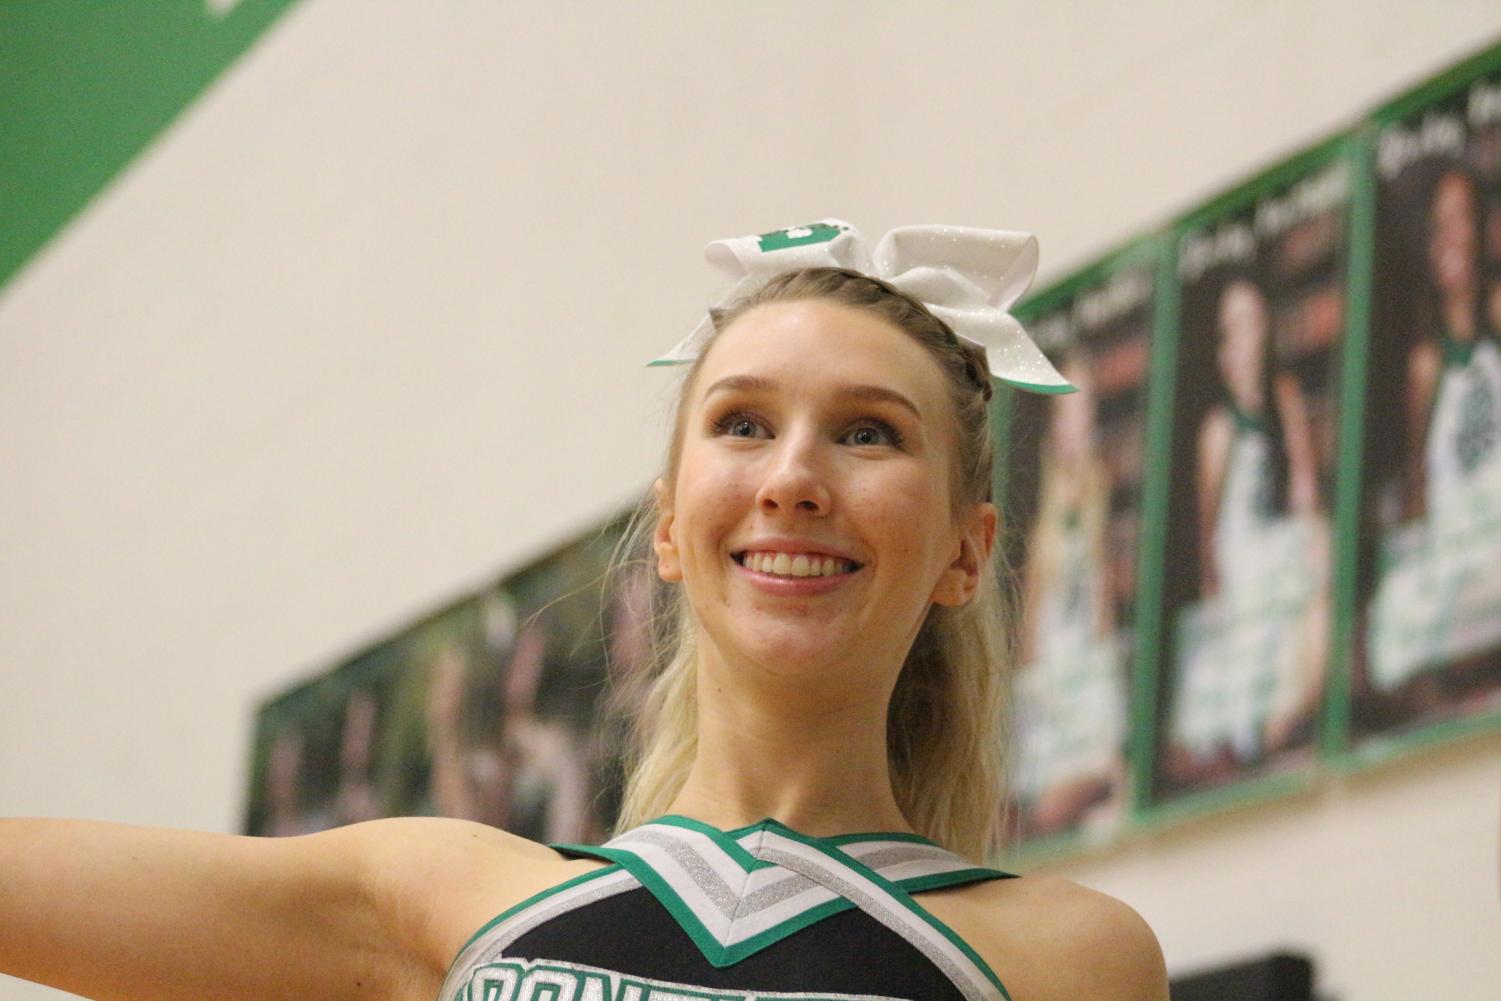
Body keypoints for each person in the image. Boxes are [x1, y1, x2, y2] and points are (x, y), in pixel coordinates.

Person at [0, 222, 1167, 1001]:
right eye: (743, 423)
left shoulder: (1068, 958)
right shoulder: (433, 897)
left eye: (867, 431)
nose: (794, 478)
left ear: (966, 551)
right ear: (668, 525)